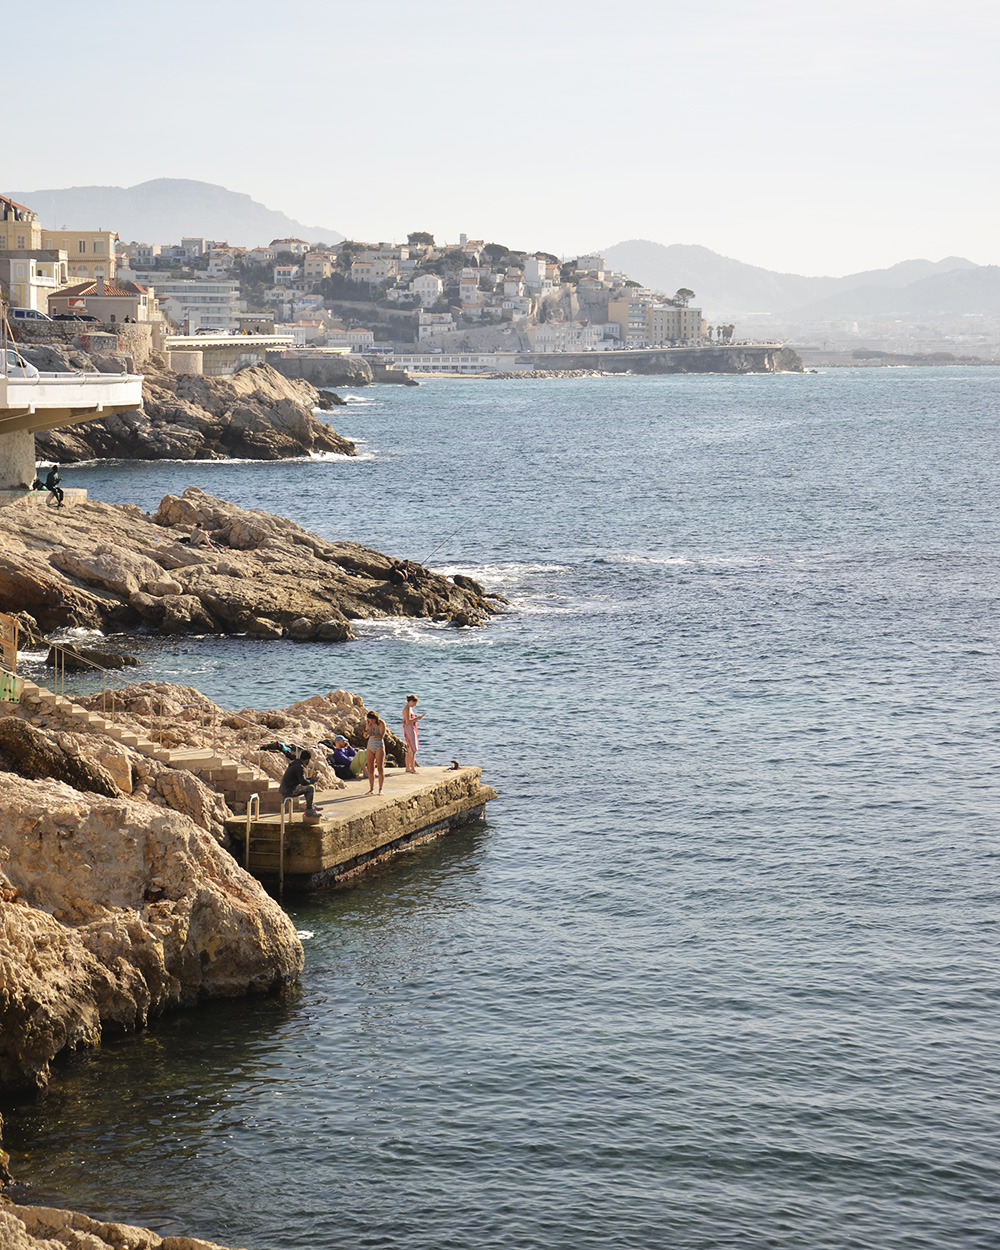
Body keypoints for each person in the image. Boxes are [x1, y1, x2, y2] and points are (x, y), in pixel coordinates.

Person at [279, 749, 320, 817]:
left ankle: (310, 805)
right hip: (289, 790)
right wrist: (313, 781)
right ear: (307, 759)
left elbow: (301, 779)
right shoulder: (299, 767)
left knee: (308, 787)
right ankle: (309, 810)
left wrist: (311, 779)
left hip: (284, 788)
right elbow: (303, 782)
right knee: (310, 788)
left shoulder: (295, 763)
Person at [364, 710, 387, 795]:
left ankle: (380, 789)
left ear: (375, 718)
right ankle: (371, 789)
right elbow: (365, 736)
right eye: (369, 720)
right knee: (370, 769)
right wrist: (366, 733)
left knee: (380, 769)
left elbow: (381, 736)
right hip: (370, 746)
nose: (371, 721)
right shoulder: (368, 723)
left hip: (379, 746)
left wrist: (372, 734)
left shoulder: (381, 723)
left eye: (372, 720)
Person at [402, 694, 425, 774]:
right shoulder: (407, 708)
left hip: (411, 728)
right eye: (414, 703)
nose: (415, 705)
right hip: (409, 729)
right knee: (412, 749)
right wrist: (417, 718)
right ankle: (412, 768)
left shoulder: (409, 708)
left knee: (410, 749)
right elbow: (408, 721)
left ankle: (408, 767)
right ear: (411, 701)